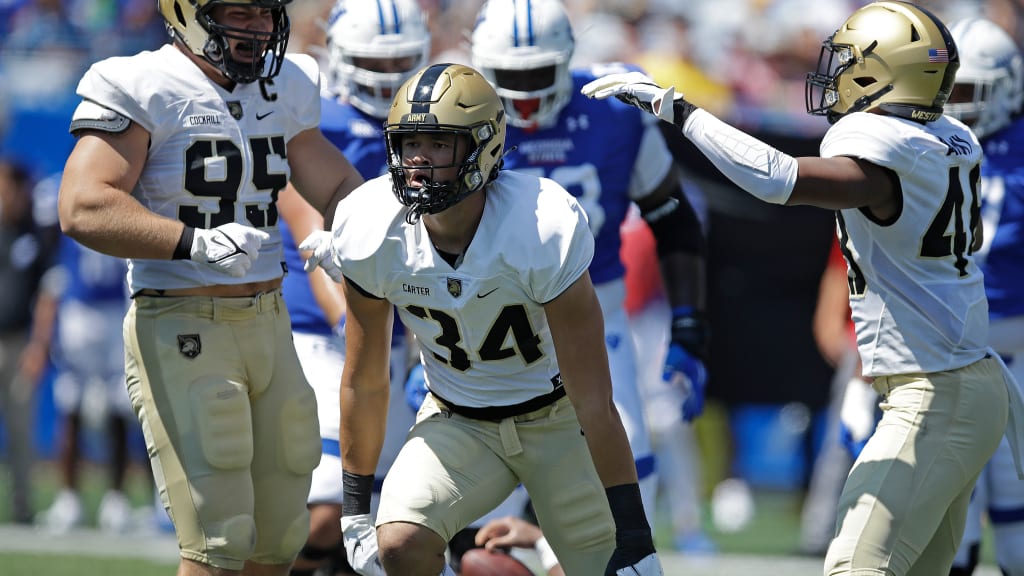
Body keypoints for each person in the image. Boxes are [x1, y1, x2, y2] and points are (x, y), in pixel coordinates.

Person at [582, 2, 1022, 575]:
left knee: (853, 565)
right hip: (959, 379)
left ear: (885, 73)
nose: (835, 76)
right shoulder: (950, 135)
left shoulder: (891, 142)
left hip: (937, 390)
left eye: (849, 64)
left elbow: (781, 179)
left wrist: (678, 109)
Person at [302, 62, 662, 576]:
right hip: (457, 420)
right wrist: (357, 511)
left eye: (439, 144)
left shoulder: (541, 225)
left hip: (557, 420)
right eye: (408, 145)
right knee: (399, 542)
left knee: (614, 568)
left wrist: (635, 532)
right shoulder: (369, 225)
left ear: (483, 146)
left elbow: (595, 400)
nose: (419, 161)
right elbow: (363, 379)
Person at [56, 0, 364, 573]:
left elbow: (338, 181)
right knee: (218, 539)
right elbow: (82, 205)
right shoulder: (145, 83)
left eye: (264, 13)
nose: (256, 28)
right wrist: (190, 241)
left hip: (272, 323)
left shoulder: (285, 84)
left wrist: (356, 233)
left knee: (280, 536)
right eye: (238, 12)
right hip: (184, 323)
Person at [468, 0, 709, 534]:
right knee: (480, 498)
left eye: (538, 73)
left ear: (567, 58)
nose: (525, 94)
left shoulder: (614, 111)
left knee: (627, 475)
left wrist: (690, 320)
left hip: (598, 315)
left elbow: (673, 216)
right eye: (511, 76)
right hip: (482, 321)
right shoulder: (458, 114)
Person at [281, 2, 429, 573]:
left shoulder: (433, 125)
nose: (387, 73)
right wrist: (355, 321)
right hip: (323, 331)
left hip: (402, 335)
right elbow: (313, 239)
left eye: (399, 59)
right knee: (322, 514)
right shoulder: (316, 124)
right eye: (372, 58)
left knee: (384, 524)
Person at [945, 16, 1024, 576]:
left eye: (971, 92)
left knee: (1019, 541)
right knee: (950, 534)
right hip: (946, 362)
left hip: (1017, 360)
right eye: (949, 91)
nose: (959, 106)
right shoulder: (923, 144)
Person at [27, 228, 138, 534]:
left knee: (121, 407)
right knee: (70, 405)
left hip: (116, 308)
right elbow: (55, 266)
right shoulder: (69, 204)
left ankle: (116, 500)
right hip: (79, 309)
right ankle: (69, 499)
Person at [1, 158, 53, 525]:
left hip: (20, 343)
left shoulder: (36, 233)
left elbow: (48, 294)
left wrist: (39, 345)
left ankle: (21, 507)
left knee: (21, 431)